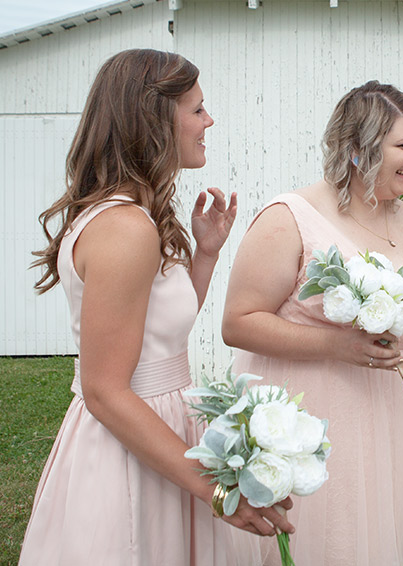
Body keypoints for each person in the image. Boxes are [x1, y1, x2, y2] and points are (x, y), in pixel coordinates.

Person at [20, 49, 293, 566]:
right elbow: (105, 391)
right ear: (154, 119)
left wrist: (205, 254)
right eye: (197, 109)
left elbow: (158, 335)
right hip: (132, 445)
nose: (208, 121)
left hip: (163, 429)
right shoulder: (125, 229)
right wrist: (215, 489)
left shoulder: (136, 217)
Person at [221, 80, 403, 565]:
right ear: (358, 150)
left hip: (395, 413)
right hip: (309, 413)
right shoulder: (289, 216)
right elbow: (238, 322)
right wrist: (338, 346)